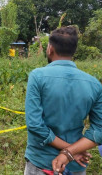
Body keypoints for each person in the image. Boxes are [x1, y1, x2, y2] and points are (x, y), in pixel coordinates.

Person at [24, 27, 102, 175]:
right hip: (75, 165)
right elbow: (99, 130)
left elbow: (35, 125)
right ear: (74, 51)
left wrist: (69, 151)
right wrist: (71, 152)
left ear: (50, 49)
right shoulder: (94, 84)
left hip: (42, 163)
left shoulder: (38, 76)